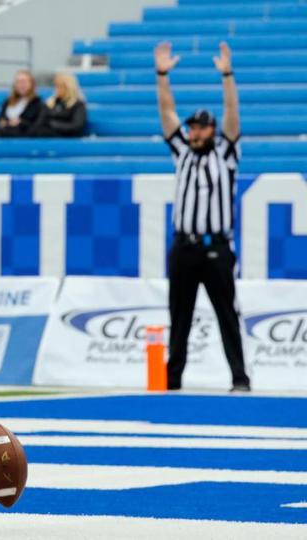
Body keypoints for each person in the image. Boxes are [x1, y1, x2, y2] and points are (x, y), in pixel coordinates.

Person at [155, 41, 251, 392]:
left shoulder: (226, 153)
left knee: (227, 315)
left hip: (217, 248)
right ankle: (172, 381)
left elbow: (232, 114)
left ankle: (240, 378)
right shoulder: (182, 152)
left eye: (201, 127)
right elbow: (167, 115)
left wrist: (227, 75)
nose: (194, 131)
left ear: (212, 131)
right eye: (192, 127)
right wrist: (162, 75)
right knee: (178, 318)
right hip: (184, 247)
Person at [0, 69, 43, 138]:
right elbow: (0, 118)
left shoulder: (37, 103)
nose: (21, 85)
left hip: (22, 132)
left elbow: (36, 124)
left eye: (24, 82)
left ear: (31, 84)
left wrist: (20, 122)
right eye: (19, 82)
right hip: (6, 130)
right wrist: (3, 122)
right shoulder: (8, 101)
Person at [33, 72, 87, 137]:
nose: (57, 89)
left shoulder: (78, 104)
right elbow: (40, 122)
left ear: (68, 87)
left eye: (60, 86)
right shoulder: (49, 103)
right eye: (56, 86)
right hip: (46, 133)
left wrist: (54, 125)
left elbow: (77, 126)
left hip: (66, 135)